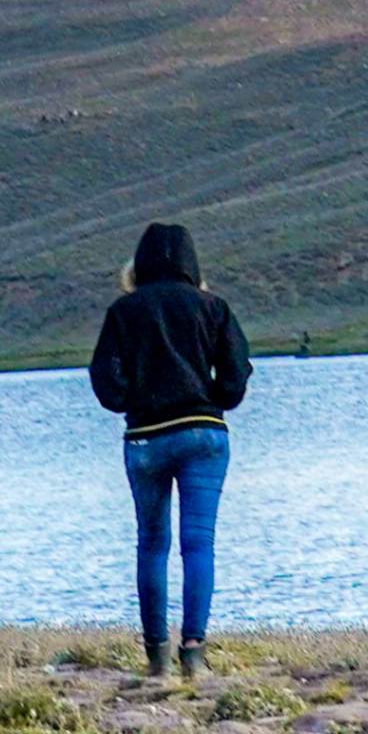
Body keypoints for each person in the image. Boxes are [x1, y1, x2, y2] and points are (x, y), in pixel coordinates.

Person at [86, 220, 250, 678]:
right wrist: (212, 401)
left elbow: (104, 380)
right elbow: (237, 377)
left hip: (144, 438)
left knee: (152, 544)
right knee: (199, 544)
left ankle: (157, 655)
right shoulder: (213, 308)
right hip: (203, 434)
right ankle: (193, 651)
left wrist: (132, 403)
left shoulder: (124, 312)